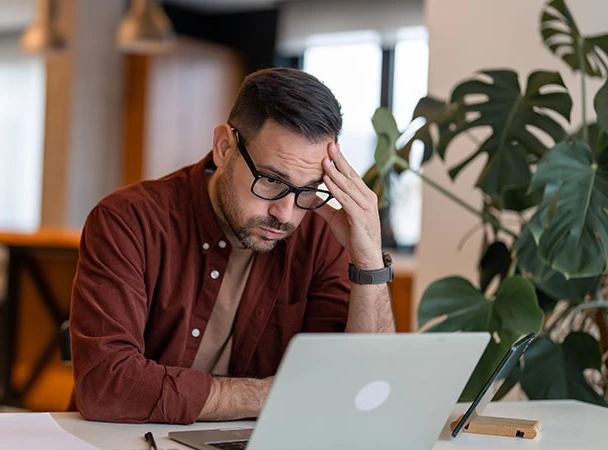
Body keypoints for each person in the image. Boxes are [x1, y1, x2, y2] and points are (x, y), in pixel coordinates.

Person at [69, 67, 395, 425]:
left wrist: (368, 262)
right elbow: (106, 386)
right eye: (271, 180)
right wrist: (274, 394)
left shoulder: (319, 234)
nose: (285, 214)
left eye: (309, 188)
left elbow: (363, 389)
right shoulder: (129, 221)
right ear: (224, 147)